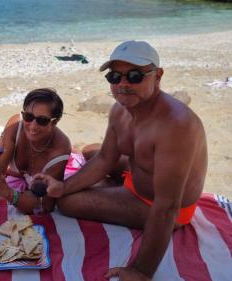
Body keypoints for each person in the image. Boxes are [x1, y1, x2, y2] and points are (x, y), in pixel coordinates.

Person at [35, 41, 207, 280]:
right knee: (91, 152)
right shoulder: (120, 110)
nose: (123, 84)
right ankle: (111, 187)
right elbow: (106, 158)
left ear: (157, 76)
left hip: (162, 205)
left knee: (67, 203)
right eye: (114, 77)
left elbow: (166, 207)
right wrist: (63, 185)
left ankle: (111, 190)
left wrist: (141, 270)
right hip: (137, 179)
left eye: (135, 76)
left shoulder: (175, 126)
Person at [0, 88, 71, 214]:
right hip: (12, 163)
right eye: (28, 116)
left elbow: (45, 204)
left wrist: (8, 193)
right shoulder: (16, 126)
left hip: (18, 173)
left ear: (55, 122)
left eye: (42, 120)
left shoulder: (60, 149)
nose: (32, 125)